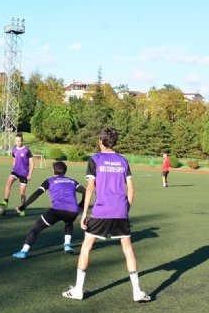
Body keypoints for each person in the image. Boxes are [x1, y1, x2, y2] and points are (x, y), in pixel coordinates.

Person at [63, 127, 150, 302]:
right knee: (127, 249)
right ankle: (137, 291)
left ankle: (78, 290)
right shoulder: (123, 161)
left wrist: (85, 213)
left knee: (86, 247)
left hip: (101, 210)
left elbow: (90, 188)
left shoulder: (95, 159)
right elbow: (131, 191)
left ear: (101, 141)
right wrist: (125, 210)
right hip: (120, 211)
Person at [12, 161, 86, 259]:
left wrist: (22, 207)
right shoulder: (72, 181)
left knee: (36, 228)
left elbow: (37, 194)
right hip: (73, 211)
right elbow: (86, 191)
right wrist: (81, 205)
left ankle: (24, 251)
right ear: (65, 171)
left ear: (53, 171)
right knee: (68, 222)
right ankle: (67, 244)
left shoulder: (49, 181)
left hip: (57, 210)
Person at [0, 133, 34, 216]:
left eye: (19, 141)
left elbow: (32, 163)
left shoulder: (26, 150)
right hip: (15, 171)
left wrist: (30, 174)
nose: (17, 142)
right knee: (8, 183)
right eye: (16, 141)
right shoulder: (14, 149)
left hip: (24, 173)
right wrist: (13, 166)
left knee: (22, 192)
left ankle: (22, 209)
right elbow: (14, 159)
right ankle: (5, 201)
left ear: (22, 141)